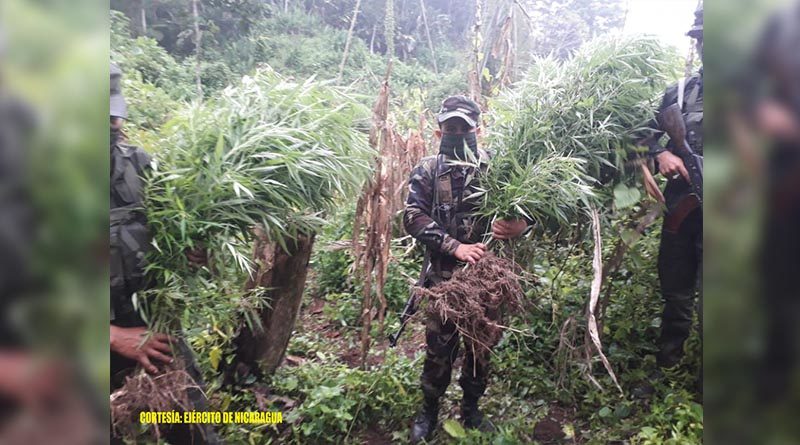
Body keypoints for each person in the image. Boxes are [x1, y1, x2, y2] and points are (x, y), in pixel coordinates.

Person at [403, 95, 528, 443]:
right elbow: (412, 217)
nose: (457, 134)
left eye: (464, 128)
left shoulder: (498, 167)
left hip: (488, 280)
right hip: (445, 280)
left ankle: (471, 410)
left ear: (477, 129)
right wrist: (454, 246)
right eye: (451, 128)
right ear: (439, 131)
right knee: (439, 349)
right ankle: (428, 410)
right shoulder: (428, 169)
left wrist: (521, 226)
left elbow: (528, 207)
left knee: (481, 347)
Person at [109, 63, 220, 444]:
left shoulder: (137, 164)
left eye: (114, 117)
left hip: (154, 330)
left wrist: (192, 250)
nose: (113, 126)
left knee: (192, 429)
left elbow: (173, 232)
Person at [640, 6, 703, 371]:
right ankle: (668, 363)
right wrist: (660, 152)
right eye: (703, 40)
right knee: (676, 289)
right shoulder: (678, 92)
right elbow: (639, 134)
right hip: (683, 209)